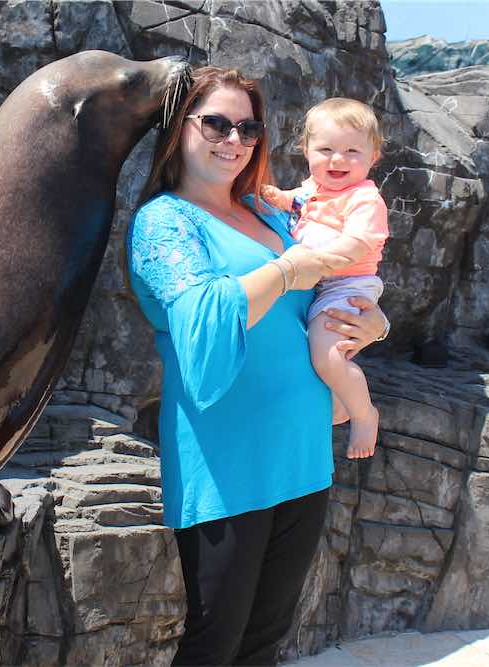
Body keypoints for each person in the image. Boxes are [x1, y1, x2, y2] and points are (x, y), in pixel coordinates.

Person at [126, 66, 389, 666]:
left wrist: (375, 325)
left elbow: (328, 298)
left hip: (302, 451)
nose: (234, 138)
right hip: (225, 459)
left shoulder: (274, 216)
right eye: (215, 122)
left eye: (248, 126)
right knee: (216, 642)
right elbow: (203, 316)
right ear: (179, 130)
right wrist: (289, 271)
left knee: (266, 640)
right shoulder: (164, 222)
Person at [260, 98, 390, 460]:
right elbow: (293, 202)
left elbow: (356, 244)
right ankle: (337, 397)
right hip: (322, 283)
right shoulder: (312, 188)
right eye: (326, 149)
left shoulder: (364, 198)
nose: (337, 160)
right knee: (321, 351)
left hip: (347, 285)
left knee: (328, 355)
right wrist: (276, 197)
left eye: (352, 151)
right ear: (305, 150)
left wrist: (316, 264)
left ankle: (364, 415)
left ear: (373, 156)